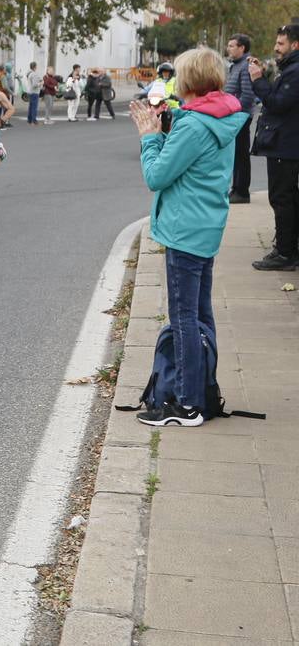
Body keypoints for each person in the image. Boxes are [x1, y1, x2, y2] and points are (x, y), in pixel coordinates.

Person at [131, 48, 248, 426]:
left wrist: (150, 137)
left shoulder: (195, 125)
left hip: (184, 230)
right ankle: (205, 392)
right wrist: (171, 120)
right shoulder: (222, 114)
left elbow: (157, 176)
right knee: (200, 315)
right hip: (206, 224)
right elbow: (194, 147)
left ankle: (186, 404)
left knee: (183, 318)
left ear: (190, 80)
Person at [250, 24, 299, 271]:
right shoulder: (289, 69)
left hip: (286, 145)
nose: (275, 48)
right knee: (288, 198)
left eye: (280, 44)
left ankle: (285, 253)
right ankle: (289, 248)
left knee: (281, 198)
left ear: (295, 45)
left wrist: (258, 80)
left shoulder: (294, 72)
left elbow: (277, 103)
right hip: (286, 144)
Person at [225, 34, 256, 205]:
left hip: (240, 116)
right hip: (235, 115)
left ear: (242, 48)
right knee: (236, 154)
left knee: (241, 154)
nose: (228, 48)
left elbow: (247, 95)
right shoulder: (236, 65)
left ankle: (242, 192)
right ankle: (236, 189)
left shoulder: (245, 66)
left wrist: (235, 113)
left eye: (231, 46)